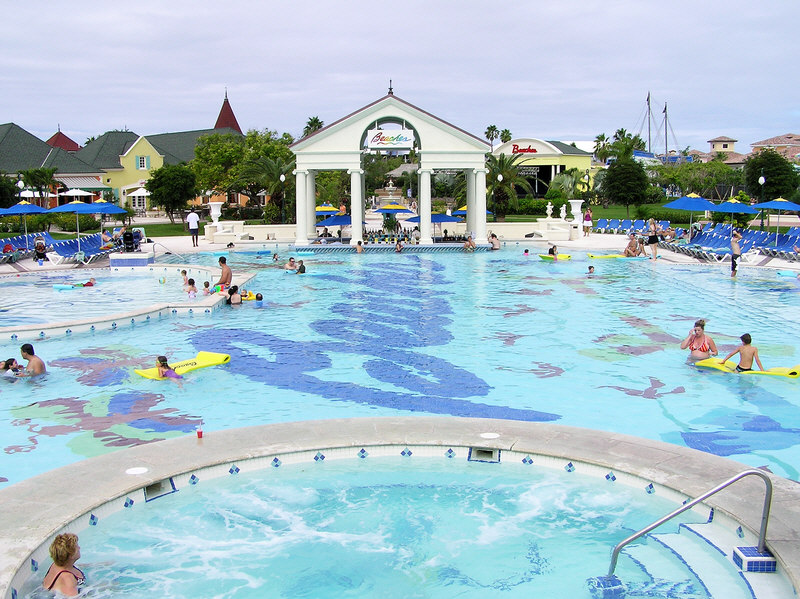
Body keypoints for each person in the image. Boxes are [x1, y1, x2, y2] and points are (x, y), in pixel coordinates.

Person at [42, 533, 84, 597]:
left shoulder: (56, 564)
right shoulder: (67, 579)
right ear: (71, 555)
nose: (79, 548)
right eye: (76, 546)